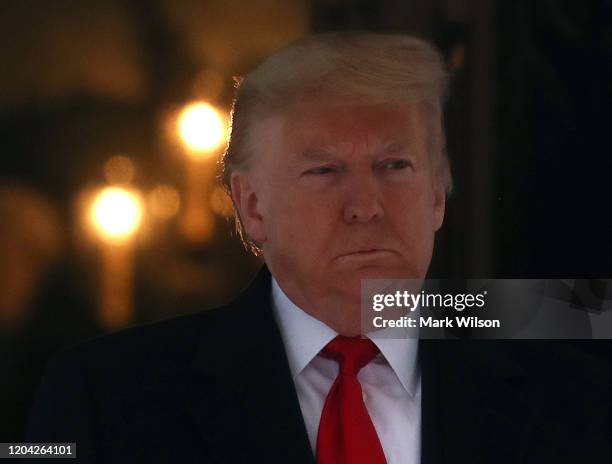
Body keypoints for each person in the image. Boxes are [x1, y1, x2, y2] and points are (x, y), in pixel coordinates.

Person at [27, 32, 612, 463]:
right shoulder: (107, 397)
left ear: (438, 194)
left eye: (395, 165)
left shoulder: (571, 384)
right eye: (325, 170)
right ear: (252, 207)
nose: (366, 204)